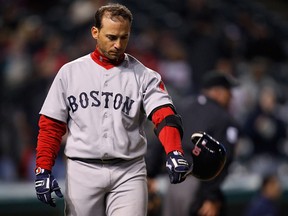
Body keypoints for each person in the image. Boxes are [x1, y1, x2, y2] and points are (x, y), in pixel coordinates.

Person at [34, 3, 190, 216]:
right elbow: (51, 125)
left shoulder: (145, 76)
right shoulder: (70, 73)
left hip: (129, 170)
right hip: (83, 169)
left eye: (123, 37)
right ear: (95, 32)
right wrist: (43, 168)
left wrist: (174, 151)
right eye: (111, 37)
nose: (118, 44)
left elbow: (164, 116)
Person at [162, 70, 241, 216]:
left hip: (173, 182)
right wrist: (211, 196)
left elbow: (162, 137)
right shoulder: (223, 118)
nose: (231, 96)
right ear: (217, 92)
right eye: (228, 91)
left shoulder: (182, 107)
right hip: (199, 186)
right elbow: (222, 160)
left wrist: (151, 174)